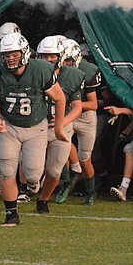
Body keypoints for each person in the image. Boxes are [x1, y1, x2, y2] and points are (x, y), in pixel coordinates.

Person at [0, 32, 66, 227]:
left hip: (35, 126)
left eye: (14, 54)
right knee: (7, 171)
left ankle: (32, 184)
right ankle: (11, 214)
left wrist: (58, 127)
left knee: (32, 174)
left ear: (24, 52)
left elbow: (60, 98)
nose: (10, 59)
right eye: (6, 55)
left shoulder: (41, 69)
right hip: (10, 126)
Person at [34, 36, 84, 214]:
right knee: (33, 171)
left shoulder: (72, 75)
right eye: (44, 56)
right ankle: (31, 188)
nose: (48, 60)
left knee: (54, 171)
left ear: (61, 56)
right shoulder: (33, 71)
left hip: (61, 128)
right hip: (36, 126)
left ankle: (43, 200)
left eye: (52, 56)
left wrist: (63, 121)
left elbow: (77, 107)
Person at [55, 38, 103, 206]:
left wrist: (73, 103)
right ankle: (66, 185)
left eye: (68, 60)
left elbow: (93, 104)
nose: (65, 63)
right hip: (66, 114)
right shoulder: (57, 71)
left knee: (85, 158)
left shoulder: (88, 71)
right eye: (63, 59)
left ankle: (90, 191)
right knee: (61, 151)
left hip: (85, 117)